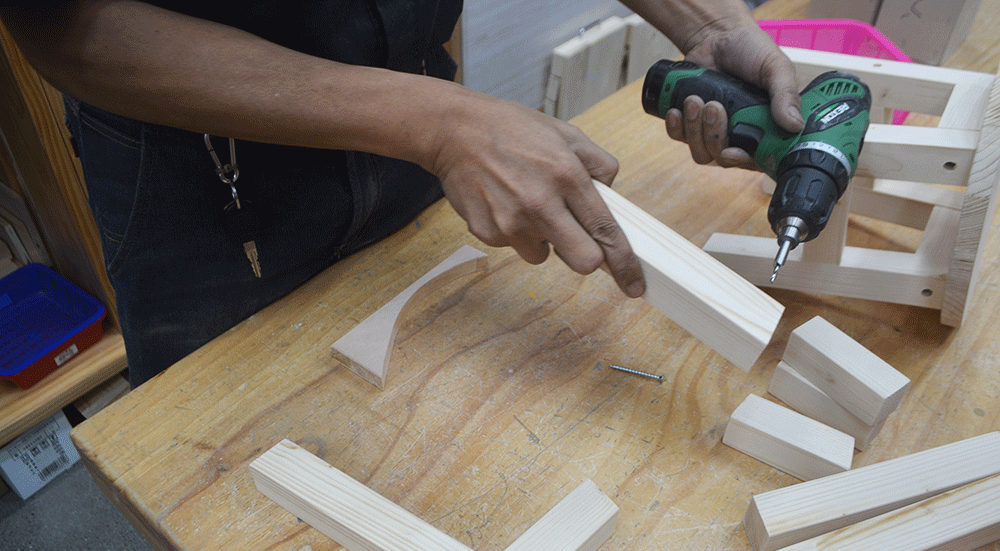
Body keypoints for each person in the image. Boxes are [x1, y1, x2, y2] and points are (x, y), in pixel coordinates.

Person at [0, 0, 803, 387]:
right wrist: (440, 125)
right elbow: (70, 27)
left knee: (441, 392)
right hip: (204, 172)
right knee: (224, 474)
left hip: (417, 107)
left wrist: (703, 23)